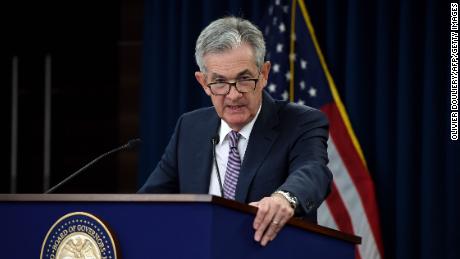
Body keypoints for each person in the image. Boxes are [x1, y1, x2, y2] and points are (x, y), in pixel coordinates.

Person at [139, 16, 332, 246]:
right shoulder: (190, 128)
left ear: (264, 74)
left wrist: (284, 198)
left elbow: (313, 172)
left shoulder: (301, 122)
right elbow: (148, 203)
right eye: (219, 82)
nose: (233, 95)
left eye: (244, 79)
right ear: (203, 83)